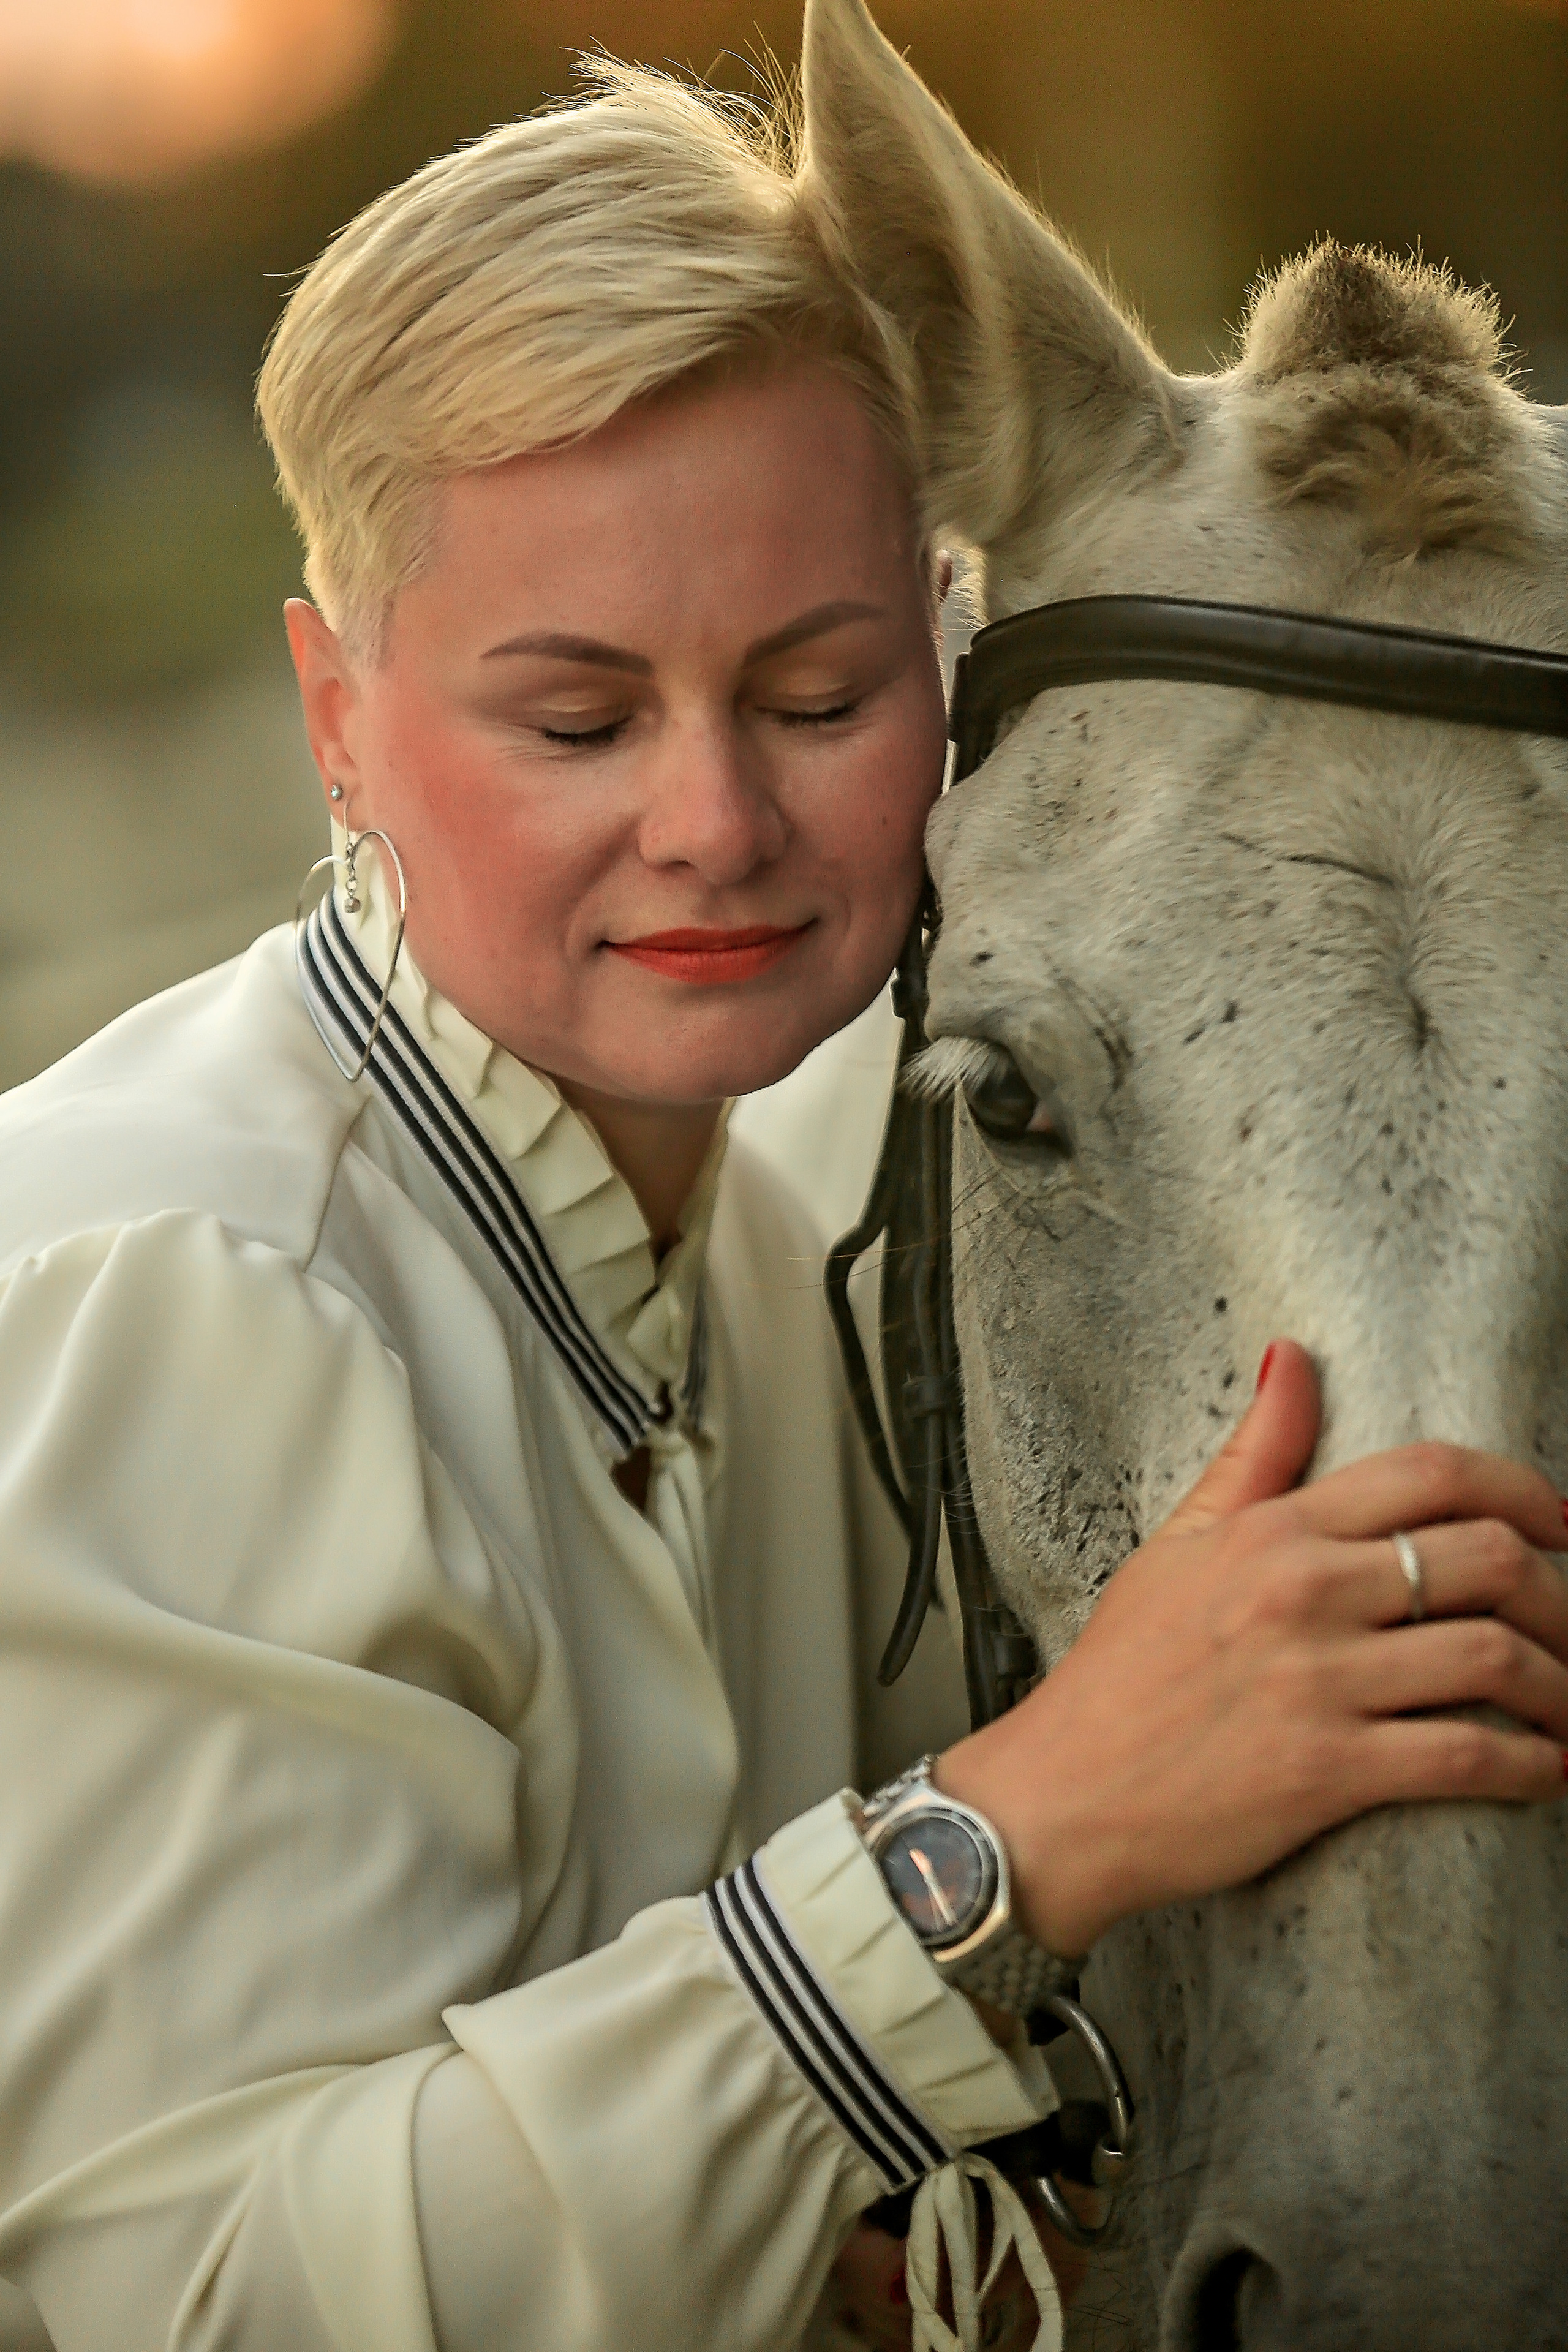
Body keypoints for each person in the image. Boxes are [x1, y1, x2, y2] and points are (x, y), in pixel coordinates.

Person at [2, 55, 1567, 2352]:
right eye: (576, 722)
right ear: (338, 719)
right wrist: (1007, 1838)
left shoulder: (778, 1246)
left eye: (822, 690)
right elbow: (187, 2291)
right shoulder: (189, 1285)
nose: (718, 823)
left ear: (943, 661)